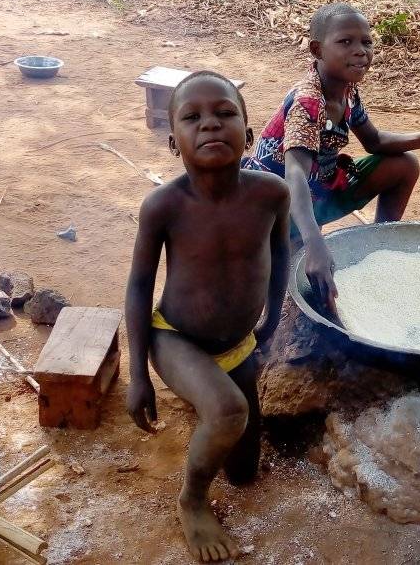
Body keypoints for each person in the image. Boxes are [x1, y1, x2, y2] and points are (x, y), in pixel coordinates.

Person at [125, 71, 290, 563]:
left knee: (244, 472)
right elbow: (138, 286)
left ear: (249, 133)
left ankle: (208, 399)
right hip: (176, 338)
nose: (210, 125)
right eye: (192, 117)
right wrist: (138, 374)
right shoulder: (164, 206)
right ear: (173, 142)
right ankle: (192, 501)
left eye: (224, 113)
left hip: (238, 345)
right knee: (228, 412)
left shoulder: (271, 194)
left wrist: (272, 320)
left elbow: (281, 256)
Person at [243, 2, 420, 310]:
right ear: (317, 50)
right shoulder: (309, 102)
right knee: (302, 283)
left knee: (403, 165)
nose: (360, 51)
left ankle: (377, 249)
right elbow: (294, 175)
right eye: (345, 42)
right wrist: (314, 242)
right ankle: (292, 250)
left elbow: (374, 141)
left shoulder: (346, 90)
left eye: (366, 42)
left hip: (320, 190)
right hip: (278, 208)